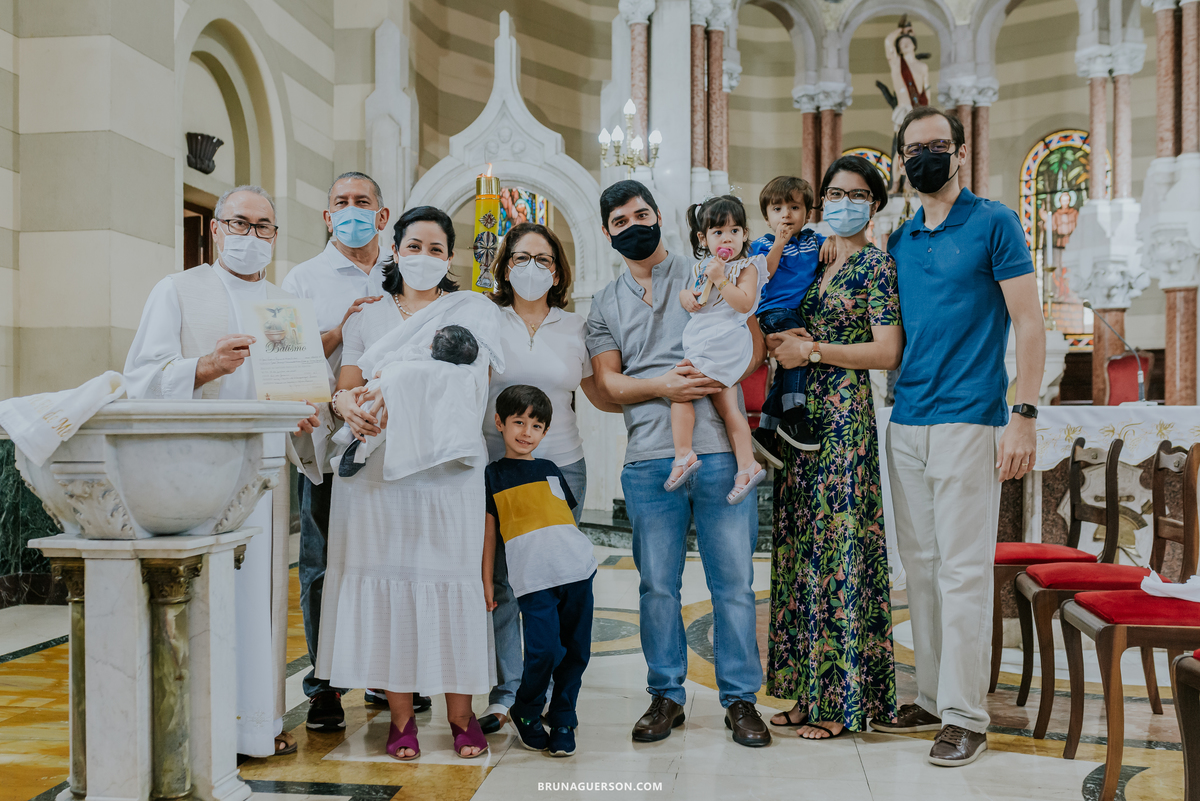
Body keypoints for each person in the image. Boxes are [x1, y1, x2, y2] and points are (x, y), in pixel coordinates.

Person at [868, 106, 1045, 767]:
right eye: (914, 148)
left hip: (970, 417)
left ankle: (968, 716)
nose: (926, 156)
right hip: (907, 418)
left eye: (937, 145)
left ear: (960, 152)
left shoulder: (995, 221)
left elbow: (1028, 321)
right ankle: (937, 696)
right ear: (901, 159)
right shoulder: (902, 240)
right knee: (920, 570)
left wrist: (1022, 412)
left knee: (965, 570)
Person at [124, 185, 320, 758]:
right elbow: (140, 376)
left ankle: (256, 724)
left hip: (261, 475)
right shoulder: (178, 290)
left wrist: (303, 416)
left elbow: (300, 394)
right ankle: (199, 726)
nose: (251, 237)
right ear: (216, 229)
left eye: (264, 227)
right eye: (240, 224)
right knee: (206, 593)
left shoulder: (287, 306)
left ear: (276, 237)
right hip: (197, 469)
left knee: (258, 597)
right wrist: (205, 366)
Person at [586, 179, 770, 748]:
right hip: (647, 457)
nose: (634, 225)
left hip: (717, 450)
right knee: (656, 586)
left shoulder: (706, 264)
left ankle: (740, 700)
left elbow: (754, 341)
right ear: (608, 233)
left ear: (659, 215)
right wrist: (662, 384)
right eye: (621, 221)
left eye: (642, 214)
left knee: (734, 585)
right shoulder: (603, 304)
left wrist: (723, 375)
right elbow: (608, 381)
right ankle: (666, 693)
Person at [315, 206, 502, 760]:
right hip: (376, 471)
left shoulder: (472, 310)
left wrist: (404, 384)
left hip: (446, 470)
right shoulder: (368, 313)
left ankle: (461, 714)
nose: (425, 256)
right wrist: (347, 403)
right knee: (389, 580)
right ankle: (401, 720)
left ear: (450, 258)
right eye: (414, 246)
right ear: (394, 249)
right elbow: (347, 383)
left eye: (437, 249)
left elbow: (478, 380)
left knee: (451, 579)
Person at [279, 171, 430, 728]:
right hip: (325, 442)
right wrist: (342, 334)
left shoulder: (408, 269)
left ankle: (391, 676)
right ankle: (325, 683)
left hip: (402, 448)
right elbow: (285, 361)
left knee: (394, 562)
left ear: (383, 216)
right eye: (340, 202)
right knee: (323, 564)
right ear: (326, 216)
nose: (351, 210)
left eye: (362, 202)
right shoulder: (303, 280)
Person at [762, 155, 904, 741]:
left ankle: (840, 703)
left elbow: (887, 351)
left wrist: (813, 351)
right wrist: (781, 340)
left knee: (838, 549)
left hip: (843, 418)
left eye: (856, 193)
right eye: (834, 193)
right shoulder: (817, 259)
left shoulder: (877, 266)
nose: (843, 201)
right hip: (801, 420)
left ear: (874, 203)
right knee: (799, 550)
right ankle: (803, 689)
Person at [477, 222, 620, 736]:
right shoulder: (484, 319)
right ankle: (506, 692)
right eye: (520, 257)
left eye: (543, 259)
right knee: (502, 582)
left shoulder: (575, 327)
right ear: (504, 265)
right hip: (495, 471)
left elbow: (600, 391)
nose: (531, 267)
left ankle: (556, 692)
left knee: (553, 579)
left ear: (557, 270)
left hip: (561, 469)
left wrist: (656, 395)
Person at [483, 385, 598, 758]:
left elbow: (564, 522)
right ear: (500, 423)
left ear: (545, 432)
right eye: (518, 422)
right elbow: (490, 536)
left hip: (576, 573)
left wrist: (582, 558)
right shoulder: (493, 475)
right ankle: (526, 709)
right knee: (544, 650)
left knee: (577, 650)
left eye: (536, 425)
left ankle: (563, 716)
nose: (526, 432)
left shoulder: (551, 469)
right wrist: (487, 579)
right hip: (532, 581)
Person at [671, 195, 768, 504]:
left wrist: (721, 279)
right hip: (704, 337)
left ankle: (684, 454)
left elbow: (745, 304)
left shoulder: (747, 266)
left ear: (744, 234)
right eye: (718, 232)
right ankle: (746, 465)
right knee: (727, 407)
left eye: (735, 230)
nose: (728, 238)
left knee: (681, 388)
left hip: (726, 340)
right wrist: (687, 295)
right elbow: (698, 297)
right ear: (704, 238)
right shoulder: (703, 265)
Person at [748, 175, 825, 463]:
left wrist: (832, 246)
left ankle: (767, 429)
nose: (786, 214)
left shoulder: (812, 241)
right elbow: (764, 275)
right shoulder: (762, 244)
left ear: (807, 214)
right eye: (777, 209)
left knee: (787, 366)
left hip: (795, 313)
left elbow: (837, 247)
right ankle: (793, 416)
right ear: (767, 218)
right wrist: (779, 243)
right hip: (773, 311)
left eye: (794, 207)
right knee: (801, 350)